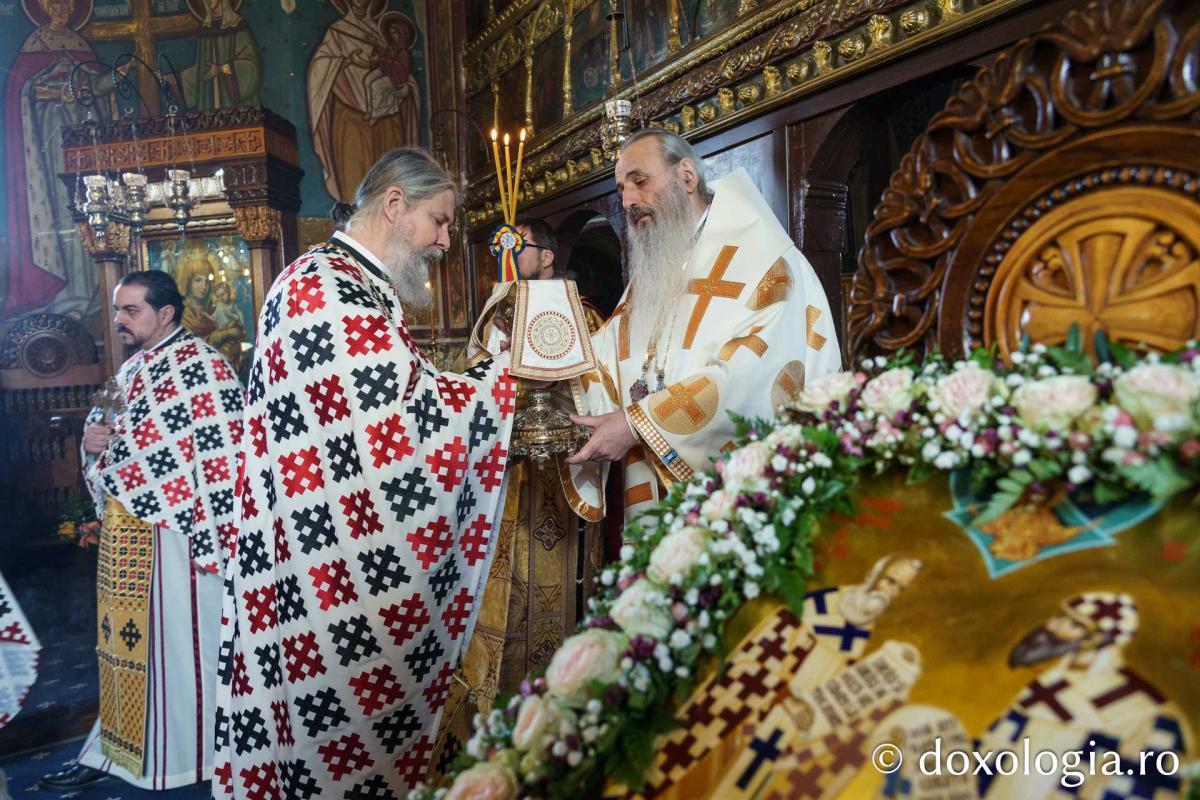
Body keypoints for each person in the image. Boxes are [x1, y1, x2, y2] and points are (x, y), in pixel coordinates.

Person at [213, 148, 518, 797]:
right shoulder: (324, 289)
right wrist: (502, 379)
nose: (444, 241)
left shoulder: (347, 282)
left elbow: (391, 402)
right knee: (334, 740)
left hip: (329, 548)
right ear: (395, 205)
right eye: (439, 221)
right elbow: (401, 423)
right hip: (323, 567)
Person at [564, 128, 842, 525]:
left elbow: (754, 375)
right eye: (622, 189)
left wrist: (639, 424)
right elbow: (606, 352)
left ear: (687, 176)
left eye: (640, 181)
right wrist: (538, 359)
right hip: (653, 487)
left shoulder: (763, 259)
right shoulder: (659, 267)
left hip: (738, 499)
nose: (627, 201)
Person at [39, 270, 243, 792]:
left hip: (179, 538)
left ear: (165, 313)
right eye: (117, 309)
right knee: (124, 646)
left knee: (178, 649)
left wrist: (216, 537)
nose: (119, 320)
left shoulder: (205, 368)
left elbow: (223, 458)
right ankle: (119, 747)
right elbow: (109, 437)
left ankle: (190, 757)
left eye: (131, 310)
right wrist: (91, 443)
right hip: (127, 531)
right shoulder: (130, 370)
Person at [181, 0, 261, 110]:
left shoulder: (238, 25)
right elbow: (201, 67)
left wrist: (223, 69)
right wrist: (178, 78)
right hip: (209, 104)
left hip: (233, 105)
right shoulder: (205, 29)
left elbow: (251, 65)